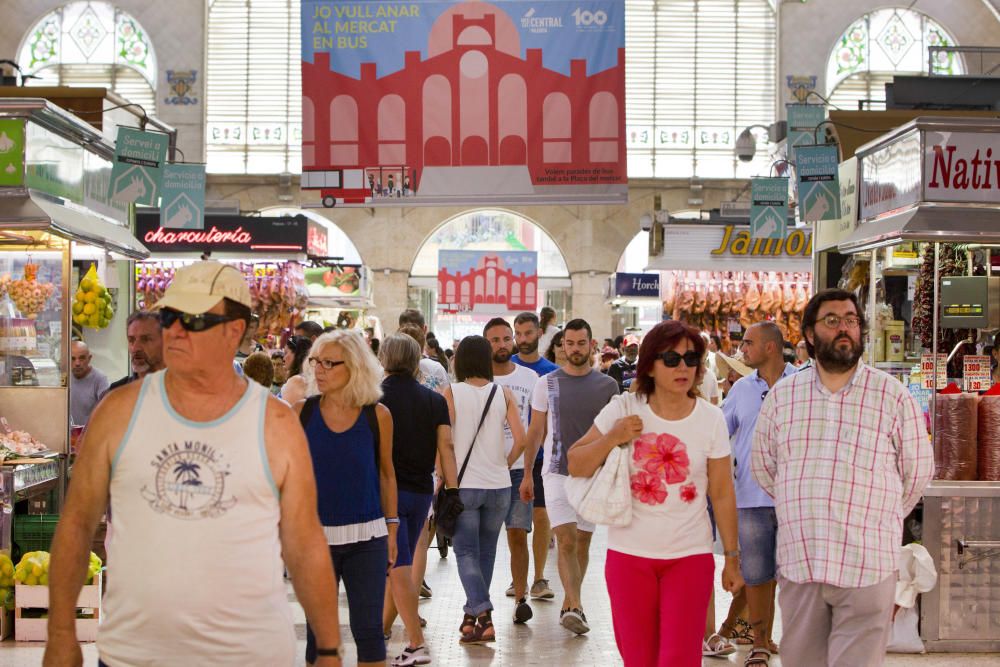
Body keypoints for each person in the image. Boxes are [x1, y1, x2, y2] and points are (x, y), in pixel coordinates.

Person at [45, 260, 343, 666]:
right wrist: (61, 633)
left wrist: (328, 649)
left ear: (234, 331)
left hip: (250, 656)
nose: (176, 331)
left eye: (193, 320)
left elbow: (304, 544)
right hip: (132, 657)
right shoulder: (118, 412)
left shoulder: (275, 424)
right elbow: (77, 523)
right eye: (170, 317)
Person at [752, 289, 935, 667]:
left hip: (867, 563)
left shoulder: (892, 396)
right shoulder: (783, 398)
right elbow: (765, 467)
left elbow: (918, 472)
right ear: (808, 334)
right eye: (832, 321)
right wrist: (804, 504)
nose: (843, 329)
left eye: (851, 320)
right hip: (803, 561)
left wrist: (876, 517)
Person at [567, 319, 744, 666]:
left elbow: (722, 493)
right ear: (649, 364)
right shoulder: (625, 408)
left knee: (679, 658)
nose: (684, 367)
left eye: (692, 359)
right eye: (672, 358)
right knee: (640, 659)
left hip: (690, 557)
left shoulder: (711, 419)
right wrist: (612, 437)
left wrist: (733, 559)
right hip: (629, 557)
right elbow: (575, 463)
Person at [296, 329, 398, 667]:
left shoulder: (377, 416)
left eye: (329, 363)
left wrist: (393, 528)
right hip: (314, 540)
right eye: (315, 362)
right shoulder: (301, 413)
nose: (318, 370)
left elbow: (386, 474)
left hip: (367, 538)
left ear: (353, 367)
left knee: (369, 631)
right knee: (319, 635)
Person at [521, 319, 619, 635]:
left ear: (592, 345)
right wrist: (526, 474)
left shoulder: (608, 387)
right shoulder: (546, 383)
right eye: (570, 343)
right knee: (564, 540)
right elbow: (535, 431)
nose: (575, 349)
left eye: (581, 343)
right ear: (562, 346)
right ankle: (575, 605)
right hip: (555, 474)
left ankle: (570, 602)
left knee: (582, 542)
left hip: (593, 477)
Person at [377, 334, 459, 666]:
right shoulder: (434, 401)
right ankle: (381, 629)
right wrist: (452, 489)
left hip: (386, 493)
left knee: (396, 566)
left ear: (383, 358)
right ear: (416, 361)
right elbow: (447, 448)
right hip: (422, 491)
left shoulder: (373, 399)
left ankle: (416, 641)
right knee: (402, 563)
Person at [721, 321, 798, 665]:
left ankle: (779, 637)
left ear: (770, 347)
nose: (743, 350)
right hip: (751, 495)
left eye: (749, 343)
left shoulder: (802, 384)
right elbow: (720, 433)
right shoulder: (740, 390)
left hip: (795, 497)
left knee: (790, 572)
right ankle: (760, 642)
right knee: (755, 572)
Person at [444, 336, 526, 645]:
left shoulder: (450, 393)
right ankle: (472, 618)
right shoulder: (503, 393)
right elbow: (521, 439)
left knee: (465, 551)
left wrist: (443, 475)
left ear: (460, 361)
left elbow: (445, 441)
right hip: (500, 486)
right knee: (486, 552)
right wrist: (504, 463)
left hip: (464, 487)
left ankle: (484, 613)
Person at [483, 318, 540, 623]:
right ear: (485, 343)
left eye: (507, 338)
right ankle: (480, 603)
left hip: (518, 470)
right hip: (484, 472)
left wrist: (530, 470)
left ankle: (521, 598)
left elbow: (535, 428)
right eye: (495, 339)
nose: (503, 344)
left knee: (518, 534)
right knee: (485, 538)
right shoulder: (475, 378)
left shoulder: (530, 378)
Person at [106, 311, 164, 392]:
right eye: (131, 340)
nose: (135, 348)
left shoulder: (182, 390)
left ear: (165, 342)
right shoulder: (116, 391)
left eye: (145, 339)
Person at [398, 310, 450, 393]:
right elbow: (446, 401)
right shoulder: (436, 369)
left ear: (399, 330)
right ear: (425, 329)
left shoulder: (386, 370)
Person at [69, 341, 109, 426]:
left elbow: (106, 410)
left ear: (89, 358)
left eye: (82, 358)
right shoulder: (64, 378)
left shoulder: (100, 379)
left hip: (91, 434)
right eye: (72, 358)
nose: (77, 363)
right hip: (69, 434)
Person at [511, 311, 559, 376]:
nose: (523, 339)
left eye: (528, 333)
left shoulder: (554, 371)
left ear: (539, 333)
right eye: (518, 333)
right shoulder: (503, 365)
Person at [279, 335, 312, 405]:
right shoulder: (304, 378)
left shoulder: (298, 380)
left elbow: (289, 413)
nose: (283, 358)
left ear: (296, 354)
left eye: (286, 353)